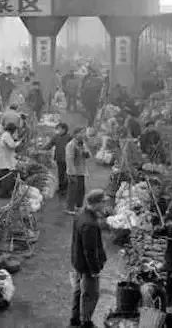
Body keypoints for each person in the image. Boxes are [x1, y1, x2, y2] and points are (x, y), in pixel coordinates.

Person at [69, 190, 107, 328]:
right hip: (86, 266)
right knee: (91, 294)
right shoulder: (90, 224)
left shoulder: (80, 214)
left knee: (78, 290)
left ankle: (75, 319)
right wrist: (95, 270)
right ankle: (86, 322)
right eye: (103, 202)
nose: (104, 204)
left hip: (77, 261)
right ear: (96, 203)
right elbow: (90, 251)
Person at [65, 128, 91, 215]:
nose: (84, 135)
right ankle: (70, 208)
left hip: (81, 171)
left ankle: (78, 206)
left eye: (84, 133)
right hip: (73, 172)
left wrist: (85, 152)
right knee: (73, 191)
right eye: (82, 133)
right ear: (76, 134)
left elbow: (88, 155)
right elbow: (69, 159)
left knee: (81, 190)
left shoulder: (82, 144)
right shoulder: (71, 145)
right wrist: (72, 173)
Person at [44, 123, 72, 196]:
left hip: (68, 159)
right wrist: (41, 149)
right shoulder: (56, 137)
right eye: (57, 129)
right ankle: (61, 188)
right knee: (60, 174)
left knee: (67, 174)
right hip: (59, 158)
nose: (57, 130)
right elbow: (50, 145)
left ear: (64, 129)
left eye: (59, 129)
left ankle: (65, 189)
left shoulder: (69, 137)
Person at [0, 123, 21, 198]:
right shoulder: (7, 135)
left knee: (6, 177)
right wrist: (18, 143)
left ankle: (5, 193)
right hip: (5, 160)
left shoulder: (5, 135)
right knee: (7, 178)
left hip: (5, 159)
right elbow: (12, 145)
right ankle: (4, 194)